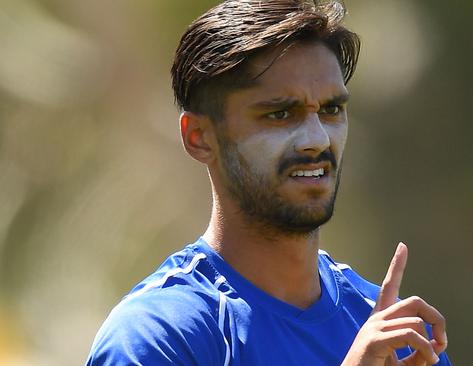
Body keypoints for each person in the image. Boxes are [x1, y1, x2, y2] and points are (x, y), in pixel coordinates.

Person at [86, 1, 451, 365]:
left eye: (331, 110)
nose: (318, 139)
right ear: (199, 136)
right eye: (280, 113)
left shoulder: (395, 336)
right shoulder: (157, 336)